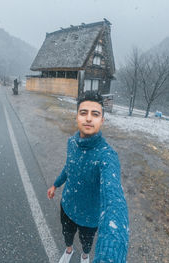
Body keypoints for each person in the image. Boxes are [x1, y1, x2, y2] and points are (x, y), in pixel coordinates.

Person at [47, 90, 129, 263]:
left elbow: (115, 200)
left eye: (95, 114)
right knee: (67, 236)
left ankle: (85, 257)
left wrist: (110, 256)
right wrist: (55, 185)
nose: (89, 118)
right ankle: (69, 251)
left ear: (102, 120)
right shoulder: (71, 142)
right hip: (67, 206)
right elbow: (68, 168)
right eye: (83, 113)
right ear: (77, 116)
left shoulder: (107, 155)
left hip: (90, 218)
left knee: (86, 244)